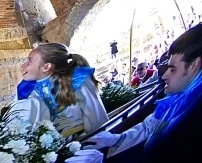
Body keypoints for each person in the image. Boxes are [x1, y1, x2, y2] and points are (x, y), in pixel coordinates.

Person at [71, 23, 202, 162]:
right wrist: (115, 139)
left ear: (194, 65)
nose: (164, 75)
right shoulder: (178, 98)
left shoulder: (194, 114)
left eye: (172, 69)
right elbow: (148, 127)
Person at [9, 43, 108, 137]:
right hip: (51, 144)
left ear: (46, 67)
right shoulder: (27, 88)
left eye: (29, 61)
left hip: (82, 138)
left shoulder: (76, 80)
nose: (23, 65)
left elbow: (95, 116)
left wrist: (94, 139)